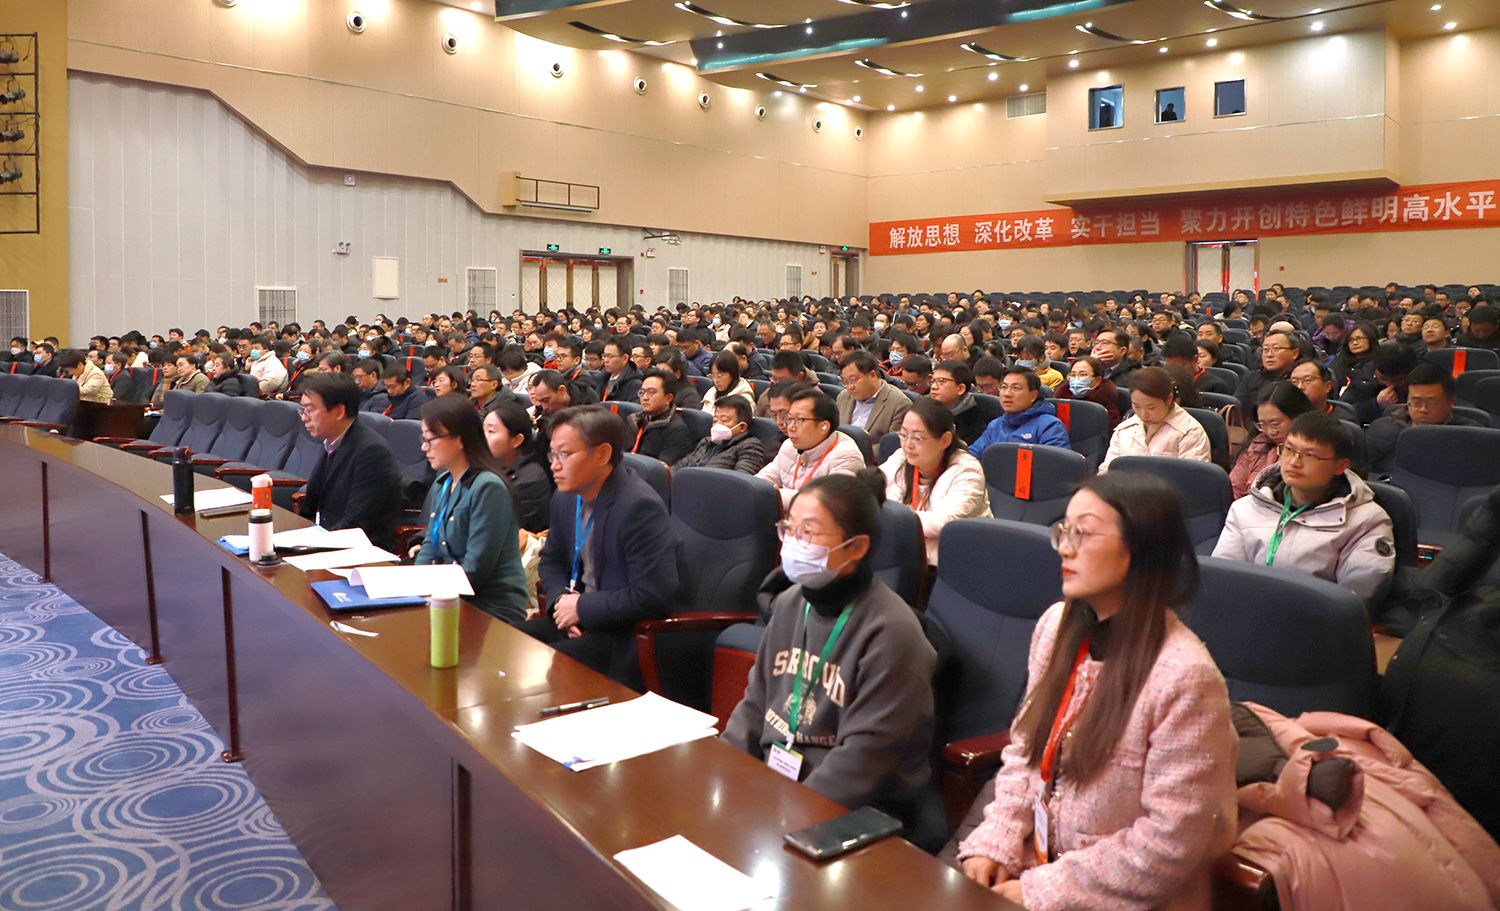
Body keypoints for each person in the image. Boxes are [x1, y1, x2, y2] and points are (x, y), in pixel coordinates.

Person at [956, 471, 1235, 910]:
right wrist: (998, 838)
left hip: (1123, 896)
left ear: (1142, 549)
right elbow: (1026, 750)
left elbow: (1171, 842)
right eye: (1064, 531)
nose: (1064, 548)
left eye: (1083, 534)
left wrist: (1041, 890)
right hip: (1033, 863)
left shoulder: (1185, 676)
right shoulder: (1057, 626)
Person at [722, 469, 937, 825]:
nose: (793, 543)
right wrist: (722, 774)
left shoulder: (892, 633)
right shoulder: (791, 602)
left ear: (856, 547)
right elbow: (754, 704)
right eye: (789, 529)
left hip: (853, 812)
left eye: (808, 532)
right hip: (774, 788)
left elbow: (863, 760)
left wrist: (780, 815)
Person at [523, 406, 678, 688]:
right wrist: (561, 603)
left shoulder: (638, 506)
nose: (554, 465)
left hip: (620, 632)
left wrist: (583, 608)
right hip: (574, 616)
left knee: (545, 673)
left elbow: (652, 594)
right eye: (552, 455)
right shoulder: (566, 497)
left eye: (564, 454)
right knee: (510, 644)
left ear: (603, 454)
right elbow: (551, 559)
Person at [1214, 412, 1395, 604]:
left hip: (1315, 619)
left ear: (1340, 466)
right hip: (1245, 613)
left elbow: (1353, 601)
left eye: (1309, 455)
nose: (1294, 462)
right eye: (1289, 450)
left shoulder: (1367, 521)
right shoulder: (1245, 508)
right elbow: (1223, 581)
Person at [411, 396, 530, 624]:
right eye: (423, 438)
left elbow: (475, 571)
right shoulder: (443, 482)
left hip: (488, 607)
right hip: (447, 594)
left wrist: (427, 593)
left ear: (459, 439)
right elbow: (430, 544)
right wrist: (414, 586)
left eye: (430, 439)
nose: (424, 447)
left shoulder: (488, 488)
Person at [296, 373, 403, 551]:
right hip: (326, 537)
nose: (304, 418)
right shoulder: (331, 441)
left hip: (360, 551)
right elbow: (312, 505)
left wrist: (314, 546)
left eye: (310, 410)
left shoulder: (372, 452)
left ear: (339, 411)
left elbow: (356, 523)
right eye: (302, 410)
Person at [879, 399, 990, 566]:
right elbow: (870, 489)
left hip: (954, 561)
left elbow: (944, 522)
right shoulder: (901, 457)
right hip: (904, 553)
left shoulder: (968, 470)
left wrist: (886, 516)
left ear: (945, 440)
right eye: (903, 435)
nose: (908, 445)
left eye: (917, 438)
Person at [1365, 363, 1487, 473]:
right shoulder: (1382, 428)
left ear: (1450, 401)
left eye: (1432, 403)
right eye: (1416, 402)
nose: (1423, 409)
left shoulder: (1470, 435)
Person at [756, 388, 867, 510]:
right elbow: (760, 482)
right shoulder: (789, 446)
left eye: (800, 420)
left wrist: (772, 495)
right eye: (790, 419)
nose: (790, 428)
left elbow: (828, 502)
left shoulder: (846, 455)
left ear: (824, 426)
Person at [1101, 367, 1211, 469]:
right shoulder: (1124, 429)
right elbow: (1107, 470)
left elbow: (1192, 478)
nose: (1143, 414)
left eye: (1151, 407)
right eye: (1136, 406)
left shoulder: (1190, 432)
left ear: (1169, 399)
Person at [1228, 381, 1314, 499]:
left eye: (1275, 424)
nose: (1270, 432)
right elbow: (1234, 489)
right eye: (1262, 425)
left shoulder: (1314, 450)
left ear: (1297, 416)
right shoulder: (1257, 444)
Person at [482, 398, 554, 534]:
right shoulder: (485, 467)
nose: (482, 437)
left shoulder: (531, 480)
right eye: (482, 429)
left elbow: (498, 531)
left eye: (491, 431)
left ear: (517, 440)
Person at [968, 367, 1070, 457]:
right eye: (1004, 387)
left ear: (1033, 395)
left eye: (1015, 388)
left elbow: (1055, 466)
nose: (1007, 394)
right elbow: (972, 455)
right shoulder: (995, 425)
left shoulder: (1050, 426)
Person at [673, 395, 768, 474]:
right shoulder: (706, 441)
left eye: (724, 420)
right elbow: (679, 466)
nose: (717, 425)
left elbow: (740, 482)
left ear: (742, 427)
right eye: (715, 420)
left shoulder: (750, 447)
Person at [628, 368, 697, 465]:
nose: (645, 397)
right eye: (642, 392)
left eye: (651, 392)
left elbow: (663, 470)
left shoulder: (676, 429)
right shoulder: (634, 420)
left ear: (668, 398)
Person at [836, 350, 911, 438]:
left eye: (853, 380)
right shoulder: (844, 396)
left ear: (872, 375)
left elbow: (893, 444)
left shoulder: (899, 404)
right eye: (845, 382)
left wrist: (864, 443)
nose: (850, 387)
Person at [929, 360, 988, 445]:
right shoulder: (926, 410)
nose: (934, 387)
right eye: (932, 381)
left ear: (960, 389)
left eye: (941, 381)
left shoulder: (973, 422)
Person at [1058, 355, 1123, 430]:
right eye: (1073, 375)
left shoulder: (1106, 408)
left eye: (1083, 375)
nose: (1076, 379)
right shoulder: (1061, 401)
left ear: (1097, 380)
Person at [598, 337, 643, 404]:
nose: (606, 360)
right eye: (604, 356)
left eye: (610, 356)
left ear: (625, 358)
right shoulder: (601, 378)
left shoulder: (635, 385)